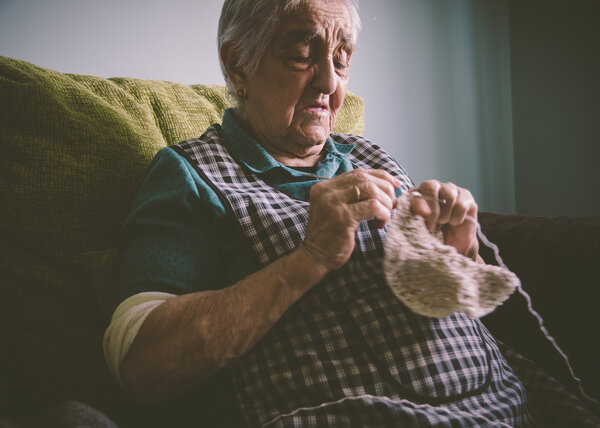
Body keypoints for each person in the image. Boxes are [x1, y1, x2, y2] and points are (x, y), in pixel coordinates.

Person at [103, 0, 599, 426]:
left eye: (342, 59)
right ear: (237, 65)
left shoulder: (372, 157)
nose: (328, 81)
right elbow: (141, 365)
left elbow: (455, 308)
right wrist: (310, 257)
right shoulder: (190, 172)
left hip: (510, 405)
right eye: (302, 53)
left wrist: (458, 254)